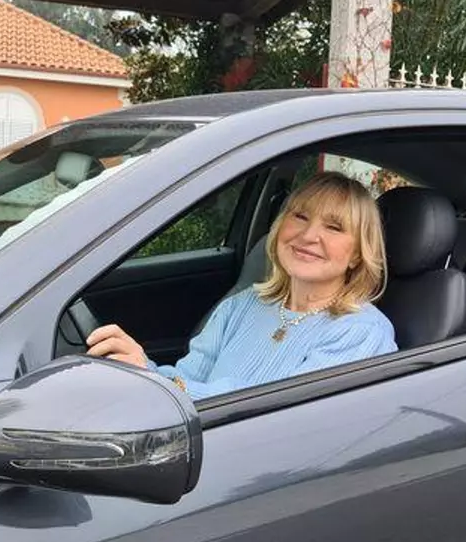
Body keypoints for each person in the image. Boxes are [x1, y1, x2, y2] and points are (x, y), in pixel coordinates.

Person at [86, 171, 398, 400]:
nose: (308, 236)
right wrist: (141, 369)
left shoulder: (361, 332)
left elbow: (279, 413)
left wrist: (160, 381)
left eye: (334, 227)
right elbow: (188, 379)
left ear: (357, 254)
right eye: (301, 216)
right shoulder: (243, 304)